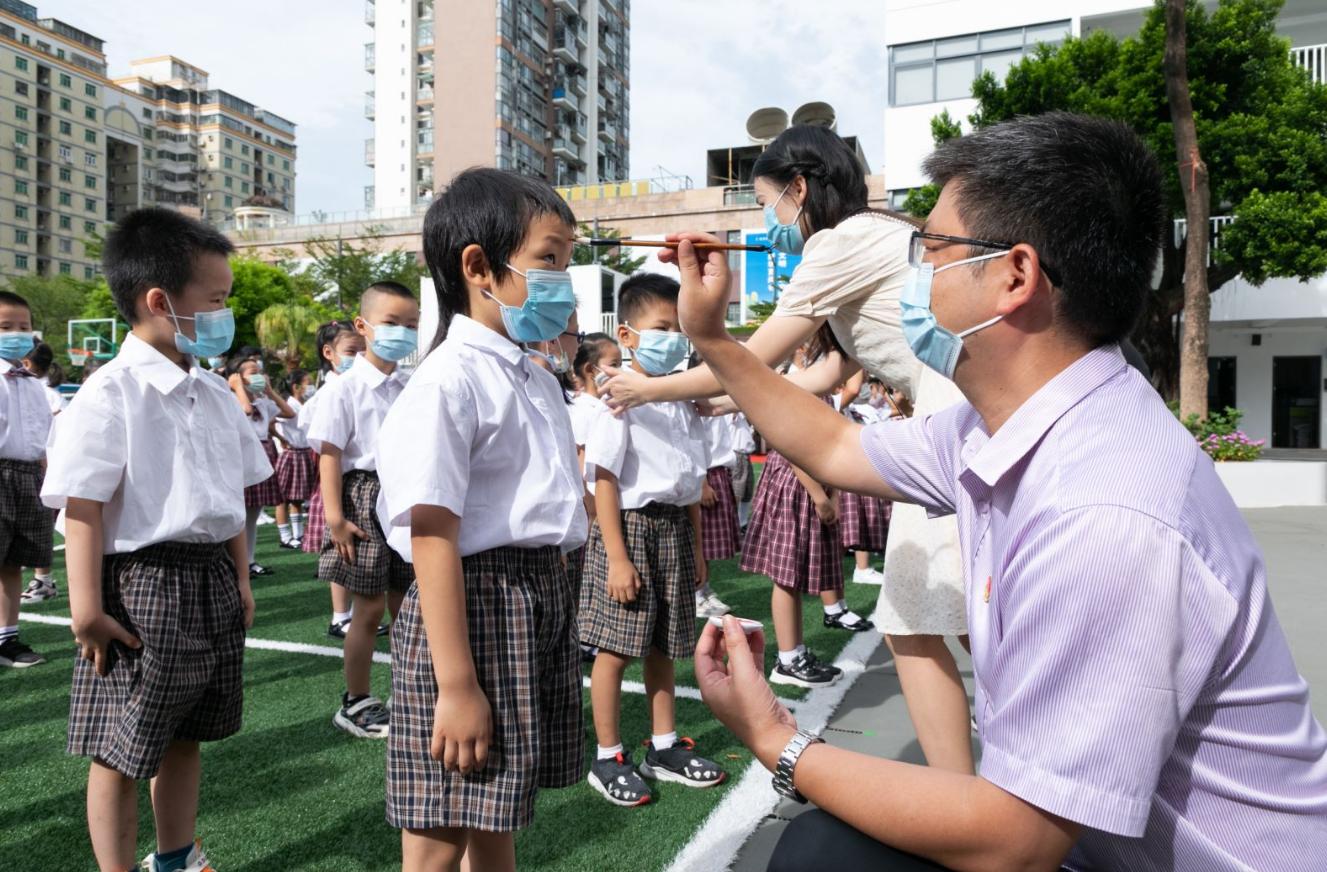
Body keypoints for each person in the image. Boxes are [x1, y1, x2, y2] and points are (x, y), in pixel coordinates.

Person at [675, 112, 1327, 871]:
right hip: (1101, 852)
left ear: (1015, 276)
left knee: (823, 855)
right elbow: (833, 442)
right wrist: (716, 341)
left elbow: (1012, 844)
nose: (913, 272)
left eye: (933, 249)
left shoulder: (1102, 513)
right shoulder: (1012, 425)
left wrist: (774, 740)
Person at [601, 124, 975, 773]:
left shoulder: (836, 244)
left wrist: (649, 388)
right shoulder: (873, 237)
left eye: (764, 201)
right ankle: (999, 759)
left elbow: (749, 357)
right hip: (964, 419)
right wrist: (715, 399)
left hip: (951, 422)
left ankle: (960, 792)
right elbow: (817, 377)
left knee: (916, 620)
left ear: (798, 188)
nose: (762, 219)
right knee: (968, 610)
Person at [42, 207, 270, 872]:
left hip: (209, 578)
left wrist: (242, 579)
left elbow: (230, 500)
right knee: (120, 745)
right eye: (217, 299)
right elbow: (81, 507)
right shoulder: (111, 392)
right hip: (143, 585)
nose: (225, 312)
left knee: (186, 733)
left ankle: (174, 857)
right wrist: (85, 609)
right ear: (159, 300)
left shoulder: (211, 392)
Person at [376, 168, 587, 872]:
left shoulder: (528, 372)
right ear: (478, 267)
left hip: (533, 597)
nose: (564, 277)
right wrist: (456, 686)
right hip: (475, 606)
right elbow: (432, 534)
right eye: (549, 258)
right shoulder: (448, 380)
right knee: (441, 828)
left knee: (496, 807)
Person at [578, 274, 727, 808]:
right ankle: (607, 754)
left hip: (673, 533)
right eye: (662, 327)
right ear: (628, 334)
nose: (676, 339)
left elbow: (690, 484)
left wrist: (699, 547)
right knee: (617, 649)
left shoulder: (681, 398)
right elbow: (604, 480)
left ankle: (662, 746)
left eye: (680, 329)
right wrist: (616, 557)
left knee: (667, 644)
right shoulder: (619, 399)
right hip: (632, 531)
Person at [306, 282, 419, 739]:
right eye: (391, 323)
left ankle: (407, 694)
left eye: (411, 325)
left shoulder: (412, 384)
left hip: (403, 495)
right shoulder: (345, 388)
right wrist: (335, 518)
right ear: (363, 326)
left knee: (407, 607)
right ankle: (355, 700)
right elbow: (329, 454)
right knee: (368, 610)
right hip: (363, 498)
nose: (402, 333)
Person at [300, 320, 366, 638]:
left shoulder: (360, 384)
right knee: (342, 550)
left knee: (361, 552)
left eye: (363, 349)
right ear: (329, 353)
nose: (360, 356)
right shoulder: (330, 392)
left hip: (360, 483)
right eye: (352, 351)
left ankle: (352, 613)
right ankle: (340, 615)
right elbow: (319, 441)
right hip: (339, 482)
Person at [0, 291, 54, 667]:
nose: (16, 334)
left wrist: (47, 474)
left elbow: (42, 439)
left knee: (14, 561)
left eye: (23, 327)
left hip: (28, 476)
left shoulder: (33, 385)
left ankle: (7, 639)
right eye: (5, 327)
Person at [228, 349, 295, 577]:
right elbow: (245, 410)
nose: (259, 376)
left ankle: (250, 560)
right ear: (237, 377)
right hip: (242, 455)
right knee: (239, 514)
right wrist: (238, 388)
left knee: (254, 514)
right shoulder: (230, 398)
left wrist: (269, 390)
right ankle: (236, 564)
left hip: (263, 453)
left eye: (260, 372)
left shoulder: (262, 401)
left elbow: (289, 412)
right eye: (253, 373)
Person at [18, 340, 63, 605]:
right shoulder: (36, 389)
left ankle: (43, 581)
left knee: (39, 527)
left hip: (40, 466)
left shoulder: (38, 391)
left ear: (26, 363)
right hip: (39, 466)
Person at [273, 368, 317, 550]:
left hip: (303, 452)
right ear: (296, 387)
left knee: (298, 498)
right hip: (291, 455)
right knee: (282, 498)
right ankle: (285, 536)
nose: (311, 386)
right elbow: (271, 422)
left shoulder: (304, 404)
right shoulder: (288, 404)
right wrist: (282, 439)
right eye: (308, 383)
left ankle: (298, 534)